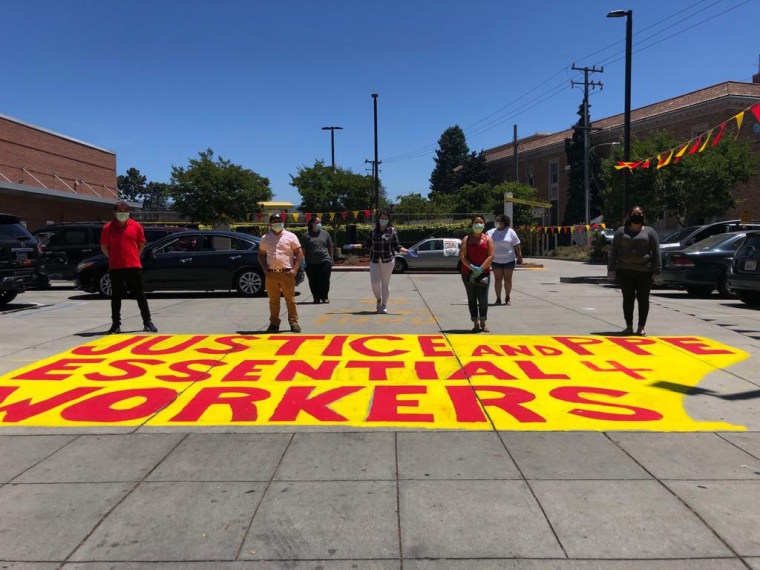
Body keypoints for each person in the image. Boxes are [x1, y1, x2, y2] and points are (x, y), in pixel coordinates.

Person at [100, 200, 157, 334]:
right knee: (116, 296)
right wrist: (113, 257)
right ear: (114, 213)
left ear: (129, 212)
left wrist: (134, 255)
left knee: (140, 294)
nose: (122, 214)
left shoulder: (136, 226)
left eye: (125, 212)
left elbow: (141, 245)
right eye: (119, 212)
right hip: (116, 267)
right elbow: (104, 247)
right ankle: (116, 324)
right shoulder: (108, 228)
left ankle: (147, 321)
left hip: (134, 265)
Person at [607, 205, 662, 336]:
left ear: (643, 216)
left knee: (643, 299)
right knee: (628, 299)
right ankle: (629, 326)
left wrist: (657, 271)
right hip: (625, 271)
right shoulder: (621, 232)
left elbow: (656, 251)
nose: (637, 216)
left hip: (644, 271)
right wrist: (611, 268)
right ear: (629, 216)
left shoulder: (650, 232)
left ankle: (641, 327)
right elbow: (613, 251)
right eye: (634, 213)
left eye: (640, 214)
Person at [258, 213, 304, 333]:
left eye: (279, 221)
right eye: (274, 222)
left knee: (290, 299)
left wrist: (295, 270)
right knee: (273, 300)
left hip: (287, 273)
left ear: (282, 222)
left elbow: (299, 253)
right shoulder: (265, 238)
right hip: (271, 274)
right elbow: (261, 254)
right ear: (270, 224)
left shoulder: (291, 236)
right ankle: (274, 323)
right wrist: (264, 268)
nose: (276, 224)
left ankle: (293, 322)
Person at [362, 211, 407, 314]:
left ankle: (384, 305)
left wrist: (406, 250)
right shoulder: (373, 231)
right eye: (382, 218)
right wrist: (355, 246)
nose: (383, 220)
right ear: (378, 219)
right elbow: (367, 245)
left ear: (389, 219)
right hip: (374, 260)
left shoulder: (392, 231)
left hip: (388, 260)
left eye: (386, 218)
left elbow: (396, 246)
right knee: (375, 283)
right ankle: (378, 299)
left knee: (385, 283)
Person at [459, 215, 495, 332]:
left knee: (483, 298)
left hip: (483, 273)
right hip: (468, 273)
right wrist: (471, 267)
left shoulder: (488, 239)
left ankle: (483, 323)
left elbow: (491, 256)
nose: (478, 224)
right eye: (476, 222)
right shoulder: (466, 239)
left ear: (484, 224)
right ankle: (475, 323)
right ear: (472, 224)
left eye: (481, 222)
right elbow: (462, 256)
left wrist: (481, 268)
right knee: (472, 298)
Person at [486, 214, 523, 305]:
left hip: (509, 260)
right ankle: (498, 298)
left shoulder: (510, 232)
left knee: (508, 279)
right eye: (496, 222)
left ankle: (507, 297)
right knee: (497, 279)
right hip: (495, 260)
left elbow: (516, 245)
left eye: (499, 222)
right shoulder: (490, 232)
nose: (497, 223)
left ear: (504, 223)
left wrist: (519, 256)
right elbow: (485, 245)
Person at [300, 216, 334, 303]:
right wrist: (303, 261)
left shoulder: (325, 233)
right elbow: (303, 249)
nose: (319, 224)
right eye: (317, 223)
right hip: (311, 262)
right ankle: (316, 297)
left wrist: (331, 258)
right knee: (313, 281)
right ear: (312, 224)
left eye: (320, 222)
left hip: (325, 260)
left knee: (325, 280)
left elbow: (330, 246)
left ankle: (325, 297)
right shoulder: (306, 235)